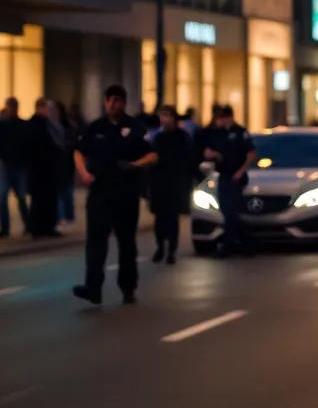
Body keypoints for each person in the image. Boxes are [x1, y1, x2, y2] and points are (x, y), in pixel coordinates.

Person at [72, 85, 157, 305]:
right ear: (105, 102)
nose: (112, 104)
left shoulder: (136, 128)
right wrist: (83, 173)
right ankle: (93, 288)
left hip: (125, 195)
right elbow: (79, 151)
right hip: (99, 193)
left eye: (117, 100)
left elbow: (152, 155)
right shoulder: (95, 127)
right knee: (95, 243)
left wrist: (134, 165)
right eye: (109, 100)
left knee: (126, 243)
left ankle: (128, 288)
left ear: (124, 103)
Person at [202, 104, 256, 257]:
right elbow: (207, 152)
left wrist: (240, 172)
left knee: (230, 211)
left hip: (236, 177)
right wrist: (213, 154)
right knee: (227, 211)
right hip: (224, 176)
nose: (221, 121)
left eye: (223, 117)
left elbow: (251, 154)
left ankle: (231, 244)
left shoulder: (240, 132)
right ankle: (245, 241)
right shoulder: (217, 134)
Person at [149, 106, 200, 264]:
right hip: (159, 184)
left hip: (176, 183)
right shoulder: (158, 138)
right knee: (159, 219)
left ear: (173, 118)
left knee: (172, 219)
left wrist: (192, 180)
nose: (163, 119)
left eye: (166, 116)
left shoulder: (183, 137)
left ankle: (171, 250)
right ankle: (160, 246)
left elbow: (191, 160)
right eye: (161, 116)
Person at [0, 98, 31, 238]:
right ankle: (5, 228)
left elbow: (29, 144)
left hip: (18, 165)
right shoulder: (1, 125)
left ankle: (28, 224)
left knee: (21, 197)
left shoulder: (22, 126)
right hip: (5, 164)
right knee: (4, 196)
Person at [26, 98, 64, 238]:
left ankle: (47, 226)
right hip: (40, 168)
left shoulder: (50, 124)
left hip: (49, 168)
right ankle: (38, 227)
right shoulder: (35, 125)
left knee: (49, 199)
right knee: (40, 200)